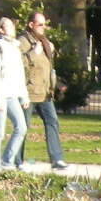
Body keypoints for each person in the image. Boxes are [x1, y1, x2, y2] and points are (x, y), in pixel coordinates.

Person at [0, 17, 29, 171]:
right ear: (1, 29)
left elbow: (19, 74)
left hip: (12, 95)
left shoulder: (15, 47)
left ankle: (7, 161)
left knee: (21, 127)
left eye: (12, 26)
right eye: (8, 26)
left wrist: (24, 96)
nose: (12, 29)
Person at [24, 13, 69, 171]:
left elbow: (48, 69)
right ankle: (16, 160)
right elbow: (20, 64)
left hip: (44, 92)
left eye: (44, 24)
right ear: (31, 25)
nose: (44, 28)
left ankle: (56, 159)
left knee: (52, 122)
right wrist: (33, 53)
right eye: (40, 25)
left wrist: (56, 85)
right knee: (22, 127)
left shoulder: (45, 43)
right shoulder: (23, 42)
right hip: (28, 92)